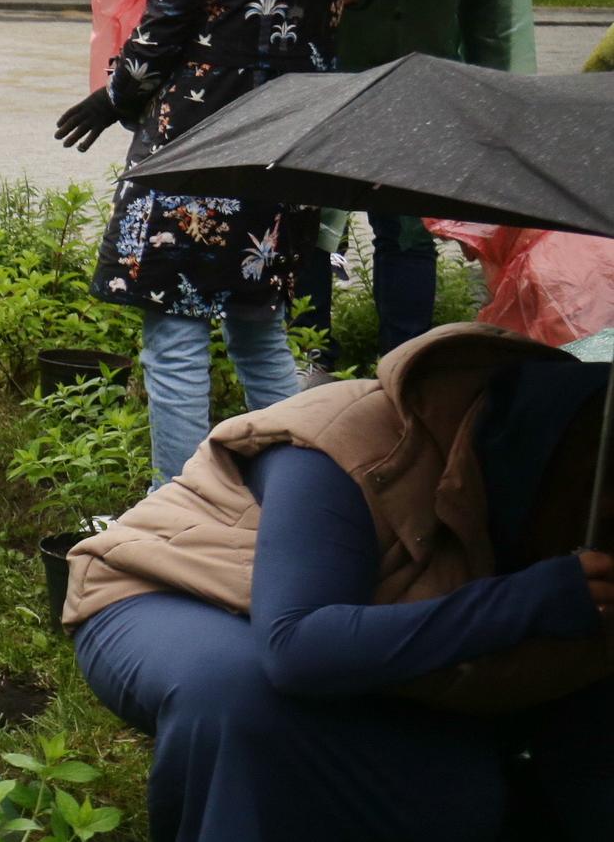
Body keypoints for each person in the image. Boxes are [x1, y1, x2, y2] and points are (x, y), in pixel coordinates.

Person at [60, 324, 614, 841]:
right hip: (171, 593)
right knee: (239, 699)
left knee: (465, 799)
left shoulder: (549, 489)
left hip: (354, 636)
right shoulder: (349, 440)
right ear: (546, 464)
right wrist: (527, 601)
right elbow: (298, 648)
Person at [55, 0, 346, 487]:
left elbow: (158, 37)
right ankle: (296, 497)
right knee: (260, 331)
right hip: (280, 156)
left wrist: (114, 96)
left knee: (176, 335)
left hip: (196, 153)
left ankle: (177, 506)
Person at [292, 0, 534, 379]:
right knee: (308, 217)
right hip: (332, 82)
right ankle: (309, 353)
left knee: (407, 229)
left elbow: (495, 24)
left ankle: (405, 365)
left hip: (425, 90)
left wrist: (498, 113)